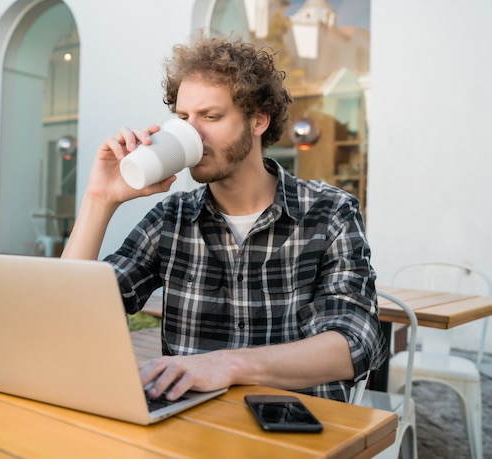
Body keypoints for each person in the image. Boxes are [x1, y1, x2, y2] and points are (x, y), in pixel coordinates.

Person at [62, 33, 387, 403]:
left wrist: (229, 365)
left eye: (210, 116)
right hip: (189, 428)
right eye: (183, 118)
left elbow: (356, 341)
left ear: (258, 120)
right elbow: (69, 315)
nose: (191, 133)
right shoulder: (174, 217)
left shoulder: (328, 212)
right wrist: (99, 199)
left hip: (297, 429)